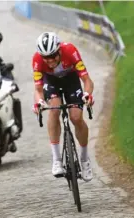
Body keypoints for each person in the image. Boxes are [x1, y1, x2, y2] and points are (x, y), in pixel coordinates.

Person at [32, 32, 95, 181]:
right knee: (54, 109)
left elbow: (87, 80)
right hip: (51, 82)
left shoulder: (70, 51)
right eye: (46, 57)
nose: (51, 60)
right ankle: (57, 160)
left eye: (53, 55)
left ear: (59, 50)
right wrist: (39, 102)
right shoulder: (37, 60)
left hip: (71, 80)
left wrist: (87, 94)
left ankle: (85, 159)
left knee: (76, 117)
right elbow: (38, 89)